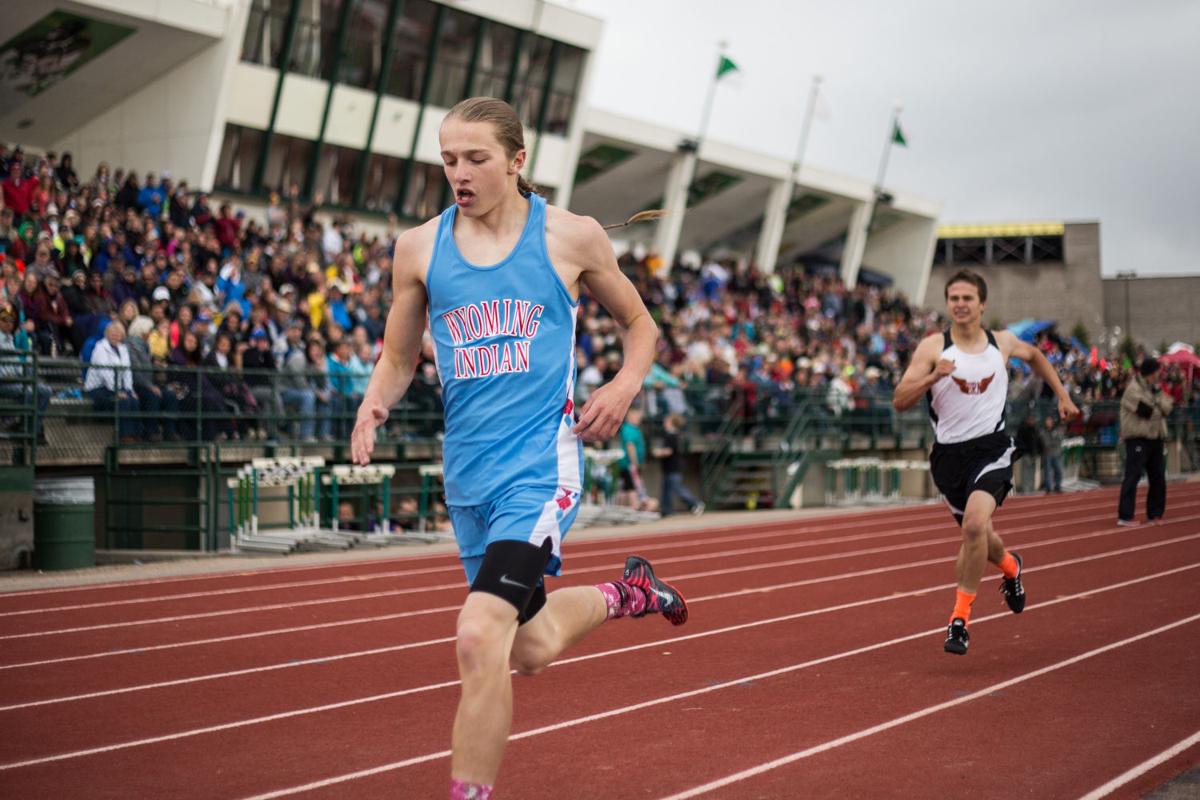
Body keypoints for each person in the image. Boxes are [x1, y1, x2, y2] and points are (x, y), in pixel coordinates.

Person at [350, 97, 686, 800]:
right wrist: (375, 400)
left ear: (517, 160)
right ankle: (631, 592)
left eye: (476, 159)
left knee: (478, 636)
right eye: (448, 160)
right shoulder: (418, 247)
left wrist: (624, 386)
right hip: (467, 479)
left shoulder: (569, 236)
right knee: (527, 649)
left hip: (540, 471)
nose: (460, 174)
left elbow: (640, 326)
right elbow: (398, 355)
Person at [892, 269, 1078, 655]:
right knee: (982, 538)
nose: (960, 304)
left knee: (975, 525)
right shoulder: (932, 347)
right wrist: (931, 378)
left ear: (982, 304)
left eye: (967, 298)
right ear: (948, 304)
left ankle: (958, 621)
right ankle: (1011, 567)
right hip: (948, 456)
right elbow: (900, 399)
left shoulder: (1002, 342)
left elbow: (1037, 356)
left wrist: (1062, 395)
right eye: (954, 298)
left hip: (992, 449)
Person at [1117, 356, 1173, 526]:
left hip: (1156, 437)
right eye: (1158, 371)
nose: (1160, 374)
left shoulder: (1156, 389)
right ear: (1151, 372)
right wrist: (1158, 403)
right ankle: (1125, 516)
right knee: (1132, 476)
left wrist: (1157, 402)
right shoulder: (1132, 389)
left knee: (1158, 477)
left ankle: (1155, 514)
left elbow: (1168, 407)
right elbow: (1146, 411)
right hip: (1138, 438)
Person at [653, 412, 704, 516]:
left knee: (676, 487)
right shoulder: (672, 435)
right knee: (666, 489)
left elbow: (669, 451)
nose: (664, 423)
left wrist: (658, 452)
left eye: (666, 421)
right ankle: (666, 510)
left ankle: (695, 503)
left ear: (672, 423)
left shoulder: (672, 435)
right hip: (668, 467)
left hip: (673, 466)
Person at [1039, 415, 1065, 493]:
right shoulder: (1042, 431)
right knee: (1047, 470)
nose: (1048, 422)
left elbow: (1059, 440)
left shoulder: (1056, 430)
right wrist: (1052, 443)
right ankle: (1048, 487)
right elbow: (1045, 442)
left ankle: (1058, 486)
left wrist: (1053, 443)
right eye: (1047, 421)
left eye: (1050, 421)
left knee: (1058, 470)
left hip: (1056, 453)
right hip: (1047, 453)